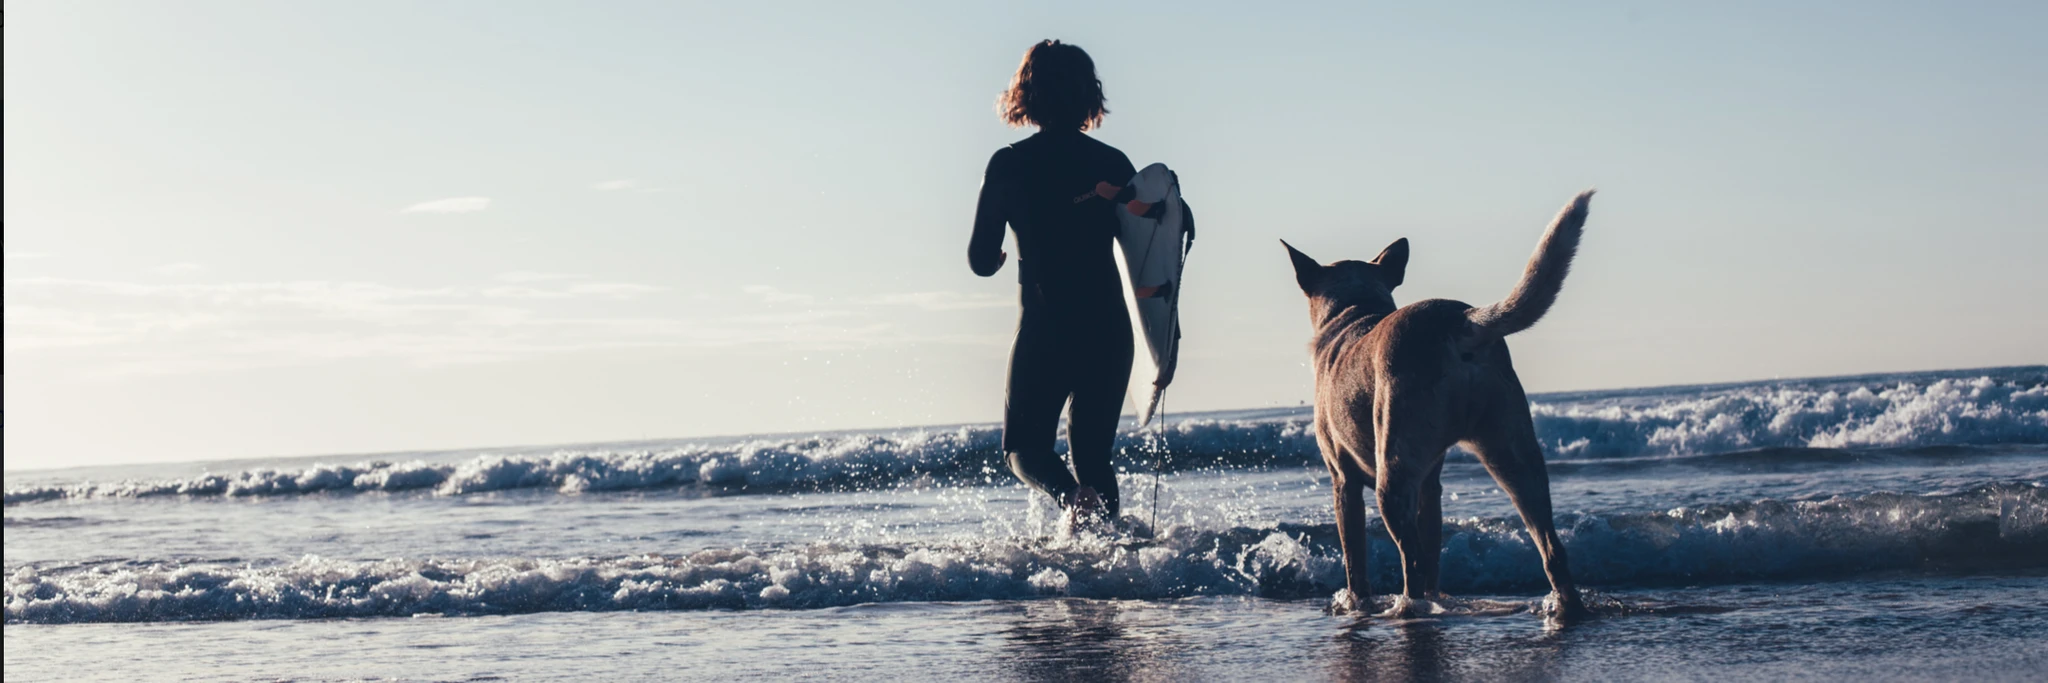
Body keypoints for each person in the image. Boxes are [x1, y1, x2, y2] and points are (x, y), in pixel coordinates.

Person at [968, 40, 1136, 525]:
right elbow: (1154, 242)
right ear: (1088, 95)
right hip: (1108, 326)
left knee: (1024, 449)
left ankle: (1070, 500)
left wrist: (997, 260)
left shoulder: (1008, 165)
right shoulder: (1113, 163)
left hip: (1047, 325)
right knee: (1093, 455)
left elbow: (980, 258)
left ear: (1027, 94)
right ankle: (1111, 563)